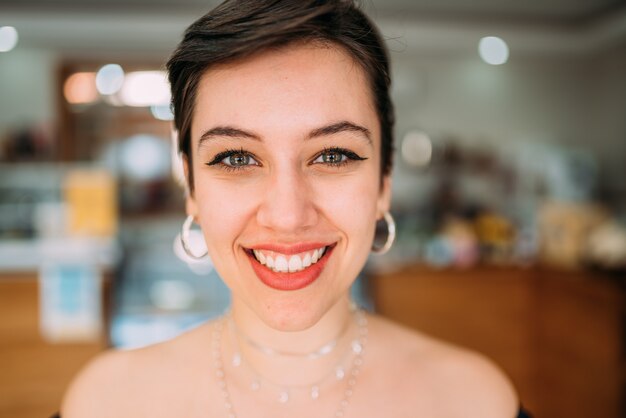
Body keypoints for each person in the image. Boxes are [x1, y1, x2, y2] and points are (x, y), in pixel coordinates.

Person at [60, 1, 530, 417]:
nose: (287, 216)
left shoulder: (474, 401)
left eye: (333, 155)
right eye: (236, 158)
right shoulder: (105, 403)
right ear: (192, 188)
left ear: (383, 181)